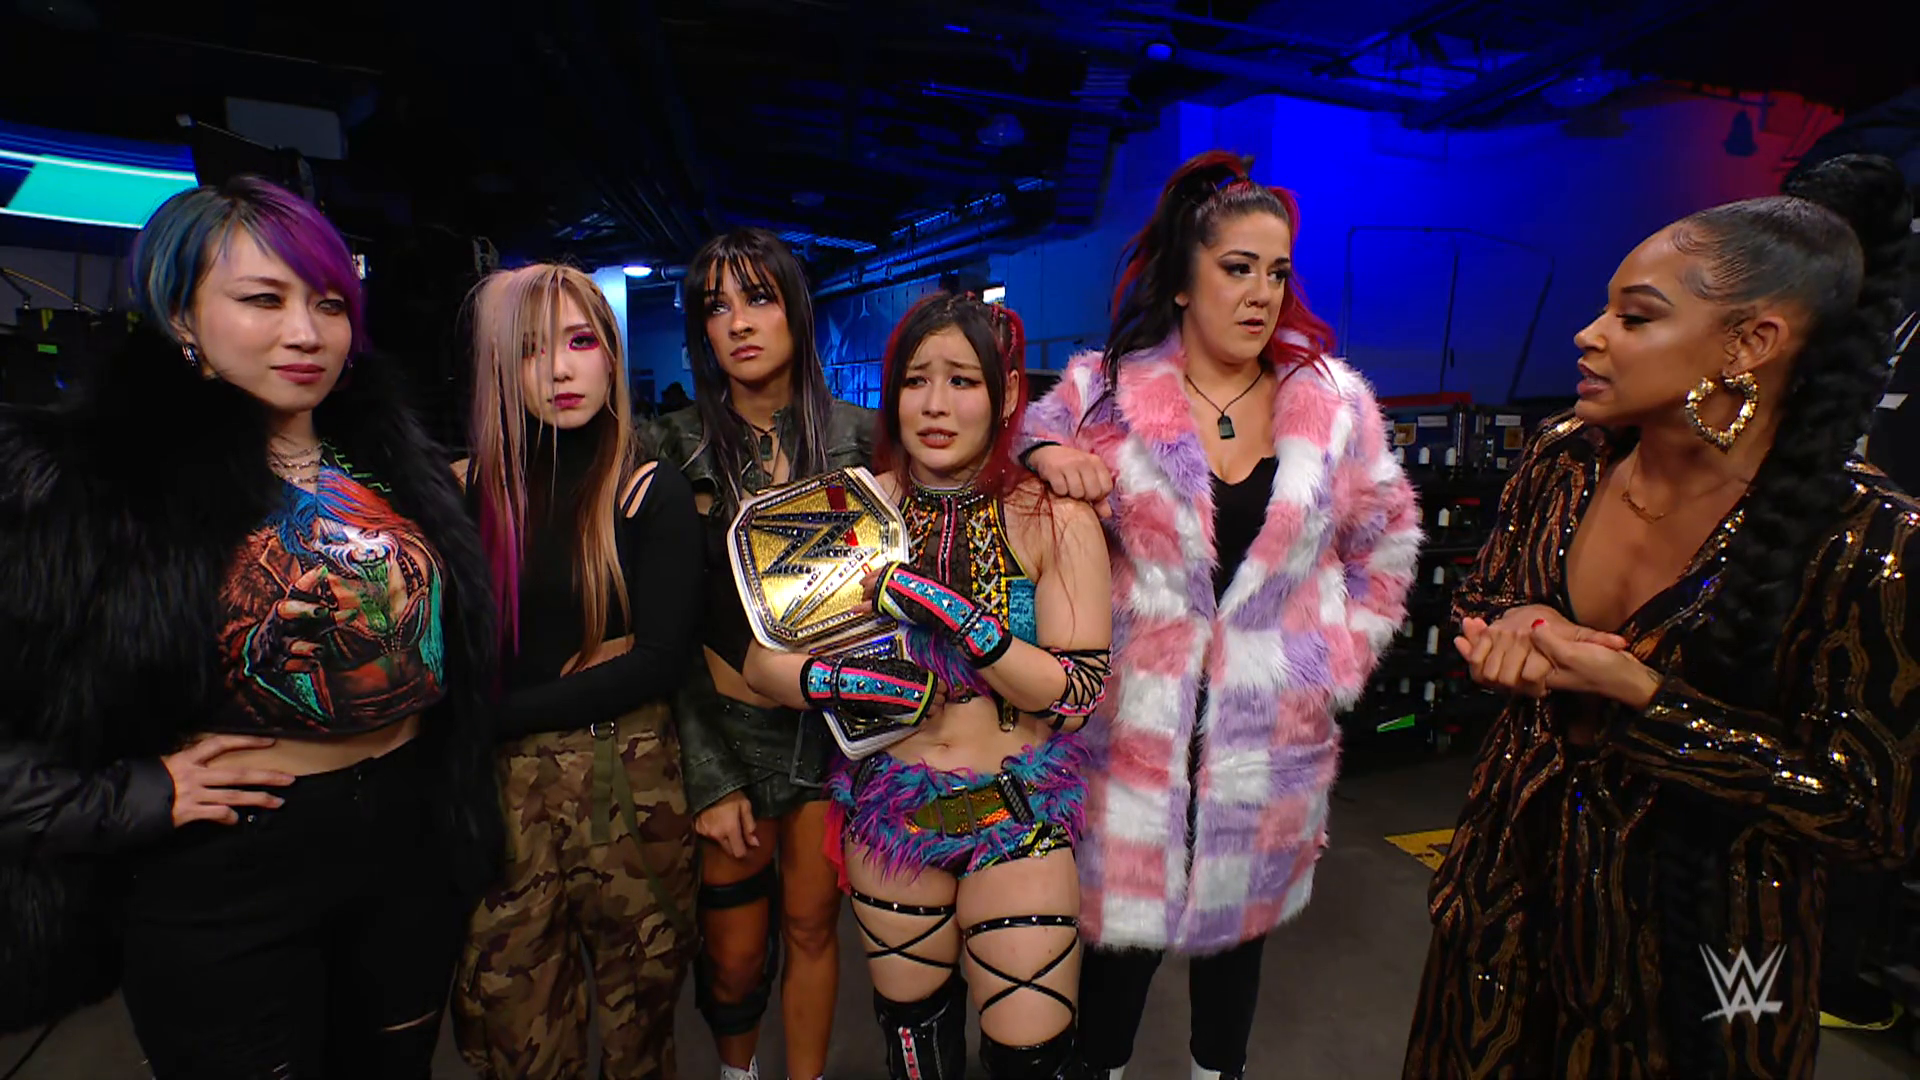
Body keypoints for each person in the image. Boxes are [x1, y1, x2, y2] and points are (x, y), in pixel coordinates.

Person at [1400, 154, 1920, 1079]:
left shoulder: (1867, 537)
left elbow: (1868, 812)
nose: (1589, 334)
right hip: (1503, 910)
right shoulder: (1567, 457)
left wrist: (1647, 700)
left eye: (1635, 317)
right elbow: (1484, 597)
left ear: (1749, 344)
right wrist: (1517, 624)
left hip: (1710, 970)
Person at [0, 176, 502, 1076]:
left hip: (407, 846)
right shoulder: (90, 484)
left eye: (329, 304)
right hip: (229, 871)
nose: (306, 333)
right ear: (180, 317)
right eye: (263, 300)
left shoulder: (392, 462)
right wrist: (135, 795)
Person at [1021, 151, 1420, 1080]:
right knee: (1114, 965)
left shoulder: (1333, 406)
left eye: (1276, 273)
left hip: (1268, 736)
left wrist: (1333, 668)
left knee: (1236, 958)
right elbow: (1032, 438)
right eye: (1238, 268)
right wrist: (1046, 459)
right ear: (1182, 280)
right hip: (1131, 732)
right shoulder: (1103, 392)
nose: (1260, 294)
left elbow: (1388, 543)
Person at [743, 293, 1112, 1078]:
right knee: (915, 1047)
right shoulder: (854, 511)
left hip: (1017, 820)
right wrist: (844, 680)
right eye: (916, 380)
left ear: (1005, 396)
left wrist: (958, 618)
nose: (936, 405)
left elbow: (1078, 695)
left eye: (962, 381)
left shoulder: (1053, 517)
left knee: (1033, 1060)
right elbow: (760, 663)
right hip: (892, 825)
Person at [449, 264, 704, 1078]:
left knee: (640, 1033)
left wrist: (491, 712)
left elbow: (658, 661)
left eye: (580, 342)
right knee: (515, 1034)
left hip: (625, 785)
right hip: (500, 801)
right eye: (530, 350)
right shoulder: (468, 490)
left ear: (611, 356)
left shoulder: (646, 491)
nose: (559, 369)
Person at [649, 227, 871, 1080]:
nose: (739, 321)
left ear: (795, 310)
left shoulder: (861, 436)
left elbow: (971, 459)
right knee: (736, 954)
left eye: (759, 298)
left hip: (831, 734)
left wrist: (1048, 450)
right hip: (727, 733)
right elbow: (665, 632)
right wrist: (709, 773)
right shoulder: (669, 445)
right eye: (716, 306)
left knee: (813, 926)